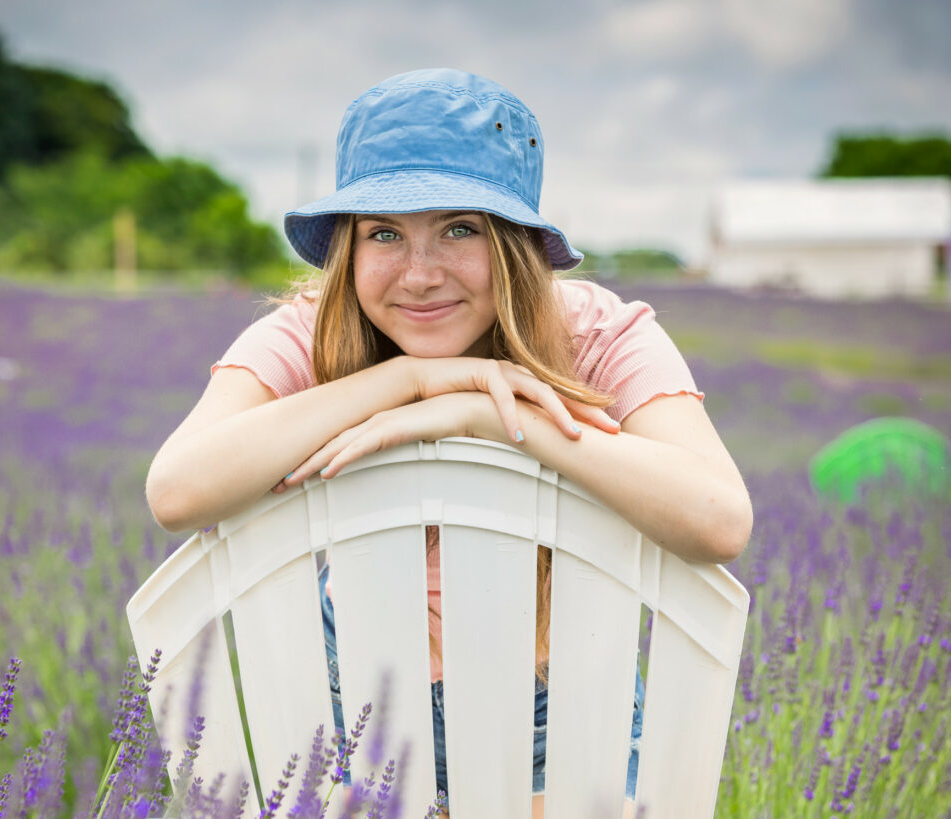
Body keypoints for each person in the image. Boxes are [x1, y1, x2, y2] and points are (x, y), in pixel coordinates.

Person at [146, 68, 752, 819]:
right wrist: (409, 380)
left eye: (460, 229)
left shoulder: (597, 333)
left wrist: (491, 416)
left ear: (517, 246)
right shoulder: (312, 329)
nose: (421, 274)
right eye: (384, 234)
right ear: (348, 248)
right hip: (354, 695)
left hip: (554, 701)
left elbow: (719, 519)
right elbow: (176, 490)